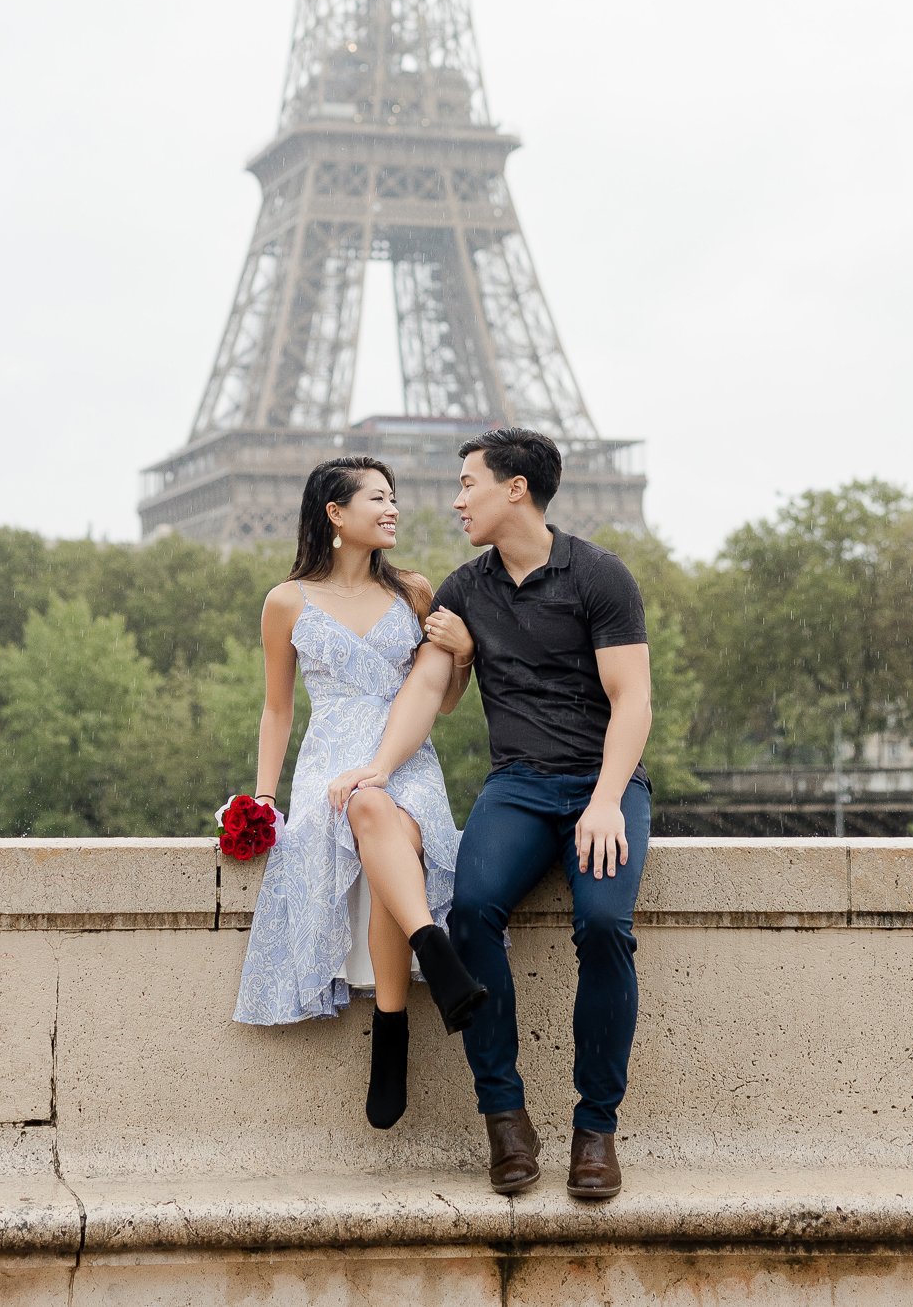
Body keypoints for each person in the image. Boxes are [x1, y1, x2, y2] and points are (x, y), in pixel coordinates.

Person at [330, 427, 652, 1201]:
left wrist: (607, 798)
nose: (455, 498)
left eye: (468, 482)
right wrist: (379, 766)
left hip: (601, 782)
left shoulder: (601, 575)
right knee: (471, 912)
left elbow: (632, 700)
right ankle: (504, 1117)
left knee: (603, 927)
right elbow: (426, 693)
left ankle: (596, 1128)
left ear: (516, 488)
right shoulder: (463, 589)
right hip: (518, 787)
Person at [233, 455, 488, 1129]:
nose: (393, 508)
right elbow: (277, 711)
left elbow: (444, 699)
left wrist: (463, 653)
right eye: (377, 497)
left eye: (394, 496)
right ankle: (420, 972)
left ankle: (394, 1029)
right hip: (330, 759)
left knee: (378, 811)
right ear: (335, 514)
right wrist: (262, 802)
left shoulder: (415, 591)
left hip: (404, 754)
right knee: (366, 810)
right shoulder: (287, 601)